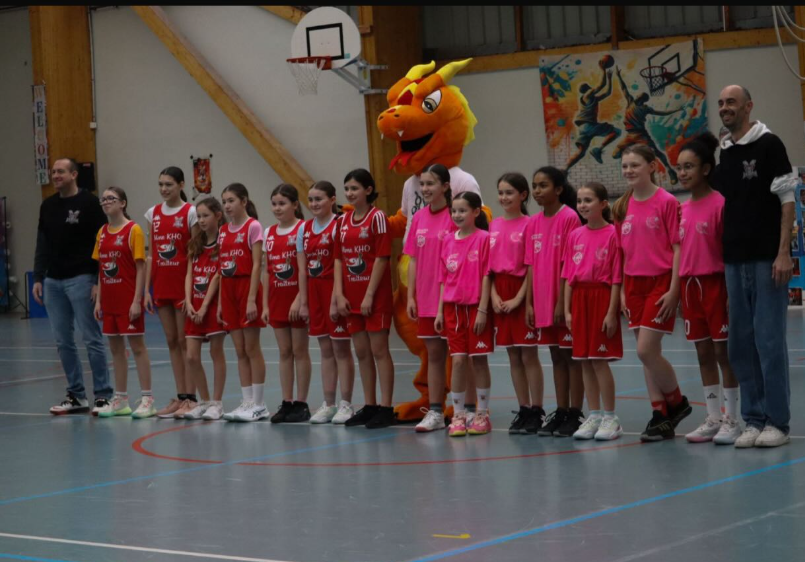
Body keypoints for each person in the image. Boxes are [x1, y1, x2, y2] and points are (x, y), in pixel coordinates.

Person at [714, 85, 796, 448]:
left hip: (767, 259)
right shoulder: (726, 152)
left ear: (748, 106)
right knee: (741, 344)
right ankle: (753, 418)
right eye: (721, 103)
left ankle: (777, 422)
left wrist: (784, 252)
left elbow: (787, 199)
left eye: (731, 102)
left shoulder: (770, 144)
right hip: (735, 260)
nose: (724, 107)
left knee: (768, 340)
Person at [612, 145, 691, 442]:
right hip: (633, 285)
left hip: (660, 283)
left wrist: (674, 290)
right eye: (625, 166)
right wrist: (621, 291)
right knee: (647, 355)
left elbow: (677, 248)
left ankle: (677, 402)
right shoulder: (621, 207)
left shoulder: (667, 202)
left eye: (635, 165)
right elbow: (621, 253)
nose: (629, 170)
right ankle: (659, 414)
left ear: (652, 166)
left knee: (646, 350)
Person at [675, 133, 741, 445]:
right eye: (679, 167)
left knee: (722, 353)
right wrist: (678, 291)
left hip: (716, 285)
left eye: (688, 167)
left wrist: (730, 291)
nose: (682, 172)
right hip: (691, 288)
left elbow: (728, 251)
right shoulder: (682, 209)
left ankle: (733, 418)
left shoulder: (721, 204)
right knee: (702, 353)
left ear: (706, 168)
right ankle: (713, 417)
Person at [34, 158, 113, 415]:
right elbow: (42, 243)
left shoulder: (90, 204)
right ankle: (77, 395)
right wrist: (38, 277)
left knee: (91, 338)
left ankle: (103, 395)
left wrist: (98, 281)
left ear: (74, 174)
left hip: (82, 278)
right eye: (53, 172)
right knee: (63, 341)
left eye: (61, 171)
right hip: (53, 282)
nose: (55, 175)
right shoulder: (47, 206)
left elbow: (103, 242)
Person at [333, 169, 396, 429]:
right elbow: (339, 258)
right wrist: (339, 294)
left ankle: (386, 407)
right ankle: (370, 405)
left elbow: (382, 257)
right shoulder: (342, 221)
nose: (350, 193)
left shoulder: (377, 217)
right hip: (351, 297)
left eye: (355, 188)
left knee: (379, 350)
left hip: (374, 297)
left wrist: (370, 294)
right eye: (347, 188)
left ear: (368, 190)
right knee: (361, 352)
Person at [525, 167, 585, 437]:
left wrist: (563, 303)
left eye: (543, 185)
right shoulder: (533, 223)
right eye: (535, 186)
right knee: (555, 356)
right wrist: (529, 303)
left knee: (572, 358)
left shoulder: (570, 218)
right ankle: (561, 410)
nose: (537, 191)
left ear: (558, 189)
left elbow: (570, 263)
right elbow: (529, 265)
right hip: (541, 301)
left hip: (563, 301)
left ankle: (575, 413)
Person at [562, 182, 623, 440]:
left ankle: (611, 417)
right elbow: (568, 276)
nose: (582, 205)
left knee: (598, 360)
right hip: (579, 300)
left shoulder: (613, 234)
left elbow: (617, 278)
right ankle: (594, 414)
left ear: (603, 204)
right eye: (579, 201)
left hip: (601, 297)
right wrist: (567, 311)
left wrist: (611, 312)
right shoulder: (575, 235)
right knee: (584, 360)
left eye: (588, 200)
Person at [488, 173, 545, 435]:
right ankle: (523, 408)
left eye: (509, 192)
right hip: (500, 294)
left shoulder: (531, 224)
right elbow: (488, 267)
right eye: (500, 192)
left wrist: (520, 298)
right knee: (513, 355)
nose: (503, 197)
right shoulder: (494, 225)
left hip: (522, 291)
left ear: (523, 195)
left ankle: (537, 410)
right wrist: (494, 296)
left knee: (528, 354)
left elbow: (532, 265)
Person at [92, 187, 155, 418]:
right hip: (109, 301)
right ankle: (120, 399)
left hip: (128, 300)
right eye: (103, 199)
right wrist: (99, 301)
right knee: (116, 349)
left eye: (111, 198)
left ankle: (148, 399)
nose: (106, 202)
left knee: (138, 348)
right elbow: (102, 268)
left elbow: (141, 267)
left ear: (123, 203)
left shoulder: (133, 230)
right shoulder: (102, 232)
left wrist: (137, 300)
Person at [297, 181, 355, 424]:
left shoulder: (339, 225)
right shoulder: (304, 229)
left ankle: (346, 404)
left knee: (341, 349)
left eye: (319, 199)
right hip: (314, 293)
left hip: (334, 290)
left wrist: (334, 300)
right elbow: (302, 270)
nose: (313, 204)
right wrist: (304, 302)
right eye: (310, 199)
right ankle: (329, 403)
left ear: (332, 200)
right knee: (325, 350)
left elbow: (341, 264)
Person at [436, 192, 493, 437]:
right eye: (454, 211)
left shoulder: (484, 239)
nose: (457, 215)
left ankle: (482, 413)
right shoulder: (448, 240)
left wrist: (483, 310)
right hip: (453, 310)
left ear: (475, 212)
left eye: (463, 210)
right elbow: (443, 279)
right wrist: (440, 311)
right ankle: (458, 415)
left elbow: (487, 276)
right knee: (458, 361)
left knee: (479, 360)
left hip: (476, 308)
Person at [404, 164, 456, 433]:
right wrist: (411, 296)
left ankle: (465, 409)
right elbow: (413, 259)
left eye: (430, 183)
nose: (425, 189)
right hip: (425, 297)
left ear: (445, 186)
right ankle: (435, 410)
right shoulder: (419, 218)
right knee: (434, 354)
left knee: (460, 356)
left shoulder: (455, 216)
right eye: (422, 184)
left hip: (452, 297)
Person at [144, 167, 198, 419]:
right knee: (171, 341)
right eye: (161, 184)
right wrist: (147, 290)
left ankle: (191, 398)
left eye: (169, 184)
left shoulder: (190, 212)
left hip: (182, 285)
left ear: (181, 185)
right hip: (161, 284)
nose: (164, 189)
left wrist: (191, 290)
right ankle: (180, 396)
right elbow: (152, 253)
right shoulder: (152, 213)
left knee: (186, 341)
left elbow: (195, 254)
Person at [217, 183, 268, 422]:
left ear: (244, 202)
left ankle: (259, 404)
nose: (227, 206)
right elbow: (221, 268)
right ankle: (247, 401)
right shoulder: (223, 230)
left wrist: (251, 299)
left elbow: (257, 264)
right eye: (224, 201)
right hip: (228, 291)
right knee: (239, 350)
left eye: (231, 201)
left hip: (247, 287)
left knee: (251, 348)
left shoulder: (253, 226)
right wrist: (220, 303)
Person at [262, 184, 312, 423]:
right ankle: (287, 401)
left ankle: (301, 403)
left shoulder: (303, 228)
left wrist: (300, 299)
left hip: (297, 300)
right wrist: (265, 304)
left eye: (282, 203)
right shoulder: (269, 233)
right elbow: (267, 271)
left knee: (299, 351)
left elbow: (305, 268)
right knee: (283, 352)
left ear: (294, 205)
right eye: (274, 204)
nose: (277, 208)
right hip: (276, 299)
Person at [182, 197, 228, 420]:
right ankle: (204, 400)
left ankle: (217, 403)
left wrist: (205, 306)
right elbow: (189, 274)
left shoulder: (223, 242)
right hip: (195, 305)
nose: (201, 220)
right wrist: (189, 301)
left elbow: (218, 276)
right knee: (191, 356)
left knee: (215, 352)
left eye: (205, 216)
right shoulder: (195, 243)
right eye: (198, 216)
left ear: (218, 216)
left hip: (213, 305)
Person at [612, 66, 684, 184]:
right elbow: (624, 89)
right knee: (615, 154)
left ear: (643, 99)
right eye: (638, 95)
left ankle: (670, 171)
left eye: (640, 96)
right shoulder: (630, 102)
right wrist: (619, 76)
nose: (637, 96)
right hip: (630, 135)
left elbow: (661, 113)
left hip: (641, 135)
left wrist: (675, 110)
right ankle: (636, 165)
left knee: (657, 153)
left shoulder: (645, 108)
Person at [566, 66, 621, 171]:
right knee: (616, 131)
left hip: (582, 128)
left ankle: (565, 169)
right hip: (589, 125)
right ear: (588, 89)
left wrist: (609, 79)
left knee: (581, 152)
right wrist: (603, 70)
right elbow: (601, 85)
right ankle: (598, 149)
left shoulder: (593, 99)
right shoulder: (587, 95)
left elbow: (607, 93)